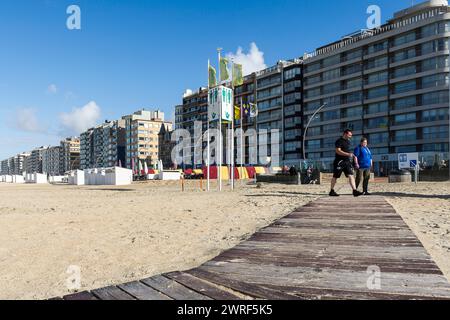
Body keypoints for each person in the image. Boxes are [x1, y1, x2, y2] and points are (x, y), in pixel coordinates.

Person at [329, 129, 363, 197]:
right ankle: (331, 191)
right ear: (345, 134)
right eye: (349, 135)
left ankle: (354, 191)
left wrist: (350, 156)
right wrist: (348, 154)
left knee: (351, 175)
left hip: (347, 162)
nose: (350, 136)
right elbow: (338, 151)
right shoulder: (339, 141)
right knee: (335, 176)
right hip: (339, 162)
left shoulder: (348, 141)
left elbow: (347, 151)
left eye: (351, 135)